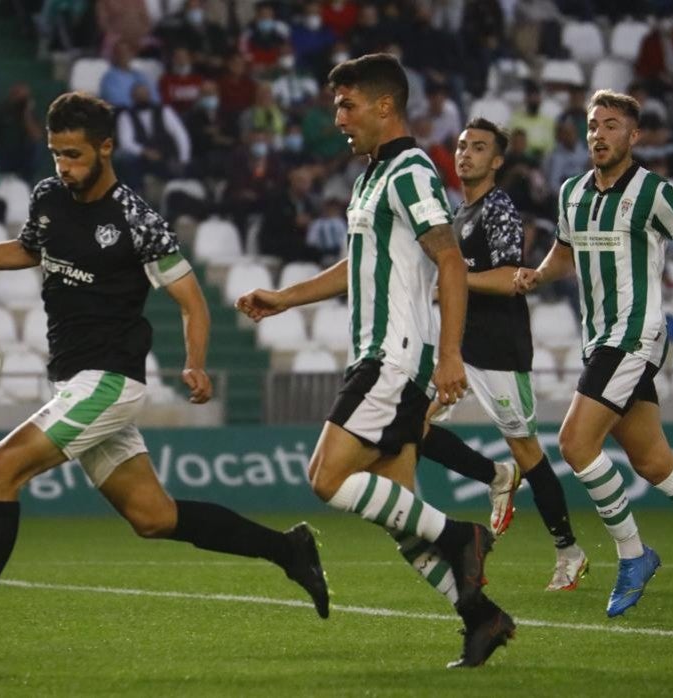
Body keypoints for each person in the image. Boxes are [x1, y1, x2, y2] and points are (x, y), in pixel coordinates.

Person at [0, 92, 329, 659]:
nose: (63, 167)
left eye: (72, 155)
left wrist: (194, 363)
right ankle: (288, 550)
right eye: (54, 155)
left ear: (106, 147)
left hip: (110, 380)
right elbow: (27, 250)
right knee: (153, 517)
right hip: (73, 381)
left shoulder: (137, 220)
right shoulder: (48, 197)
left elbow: (194, 302)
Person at [235, 54, 512, 668]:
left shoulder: (410, 170)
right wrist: (285, 298)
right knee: (401, 526)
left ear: (385, 106)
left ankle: (462, 535)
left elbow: (449, 263)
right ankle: (482, 618)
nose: (339, 118)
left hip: (394, 354)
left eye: (347, 105)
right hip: (381, 354)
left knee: (326, 478)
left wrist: (451, 356)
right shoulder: (371, 178)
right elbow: (356, 267)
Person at [513, 89, 673, 619]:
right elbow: (566, 251)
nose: (598, 135)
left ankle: (633, 554)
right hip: (600, 339)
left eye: (611, 126)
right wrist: (539, 274)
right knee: (654, 461)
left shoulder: (653, 191)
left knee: (574, 443)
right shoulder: (571, 193)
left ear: (633, 136)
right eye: (592, 125)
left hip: (635, 336)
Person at [420, 118, 588, 591]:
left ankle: (568, 550)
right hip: (457, 344)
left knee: (528, 450)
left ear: (496, 161)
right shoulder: (456, 214)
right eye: (460, 146)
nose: (465, 154)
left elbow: (511, 277)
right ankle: (495, 476)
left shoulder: (499, 209)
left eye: (478, 148)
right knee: (412, 423)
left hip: (499, 346)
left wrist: (454, 280)